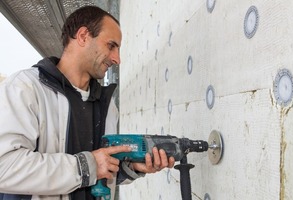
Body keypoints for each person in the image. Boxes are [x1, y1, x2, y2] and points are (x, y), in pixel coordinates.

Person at [0, 5, 175, 200]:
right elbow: (4, 167)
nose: (117, 59)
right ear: (83, 36)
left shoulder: (108, 106)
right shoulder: (26, 88)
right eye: (111, 45)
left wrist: (131, 168)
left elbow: (101, 171)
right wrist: (87, 166)